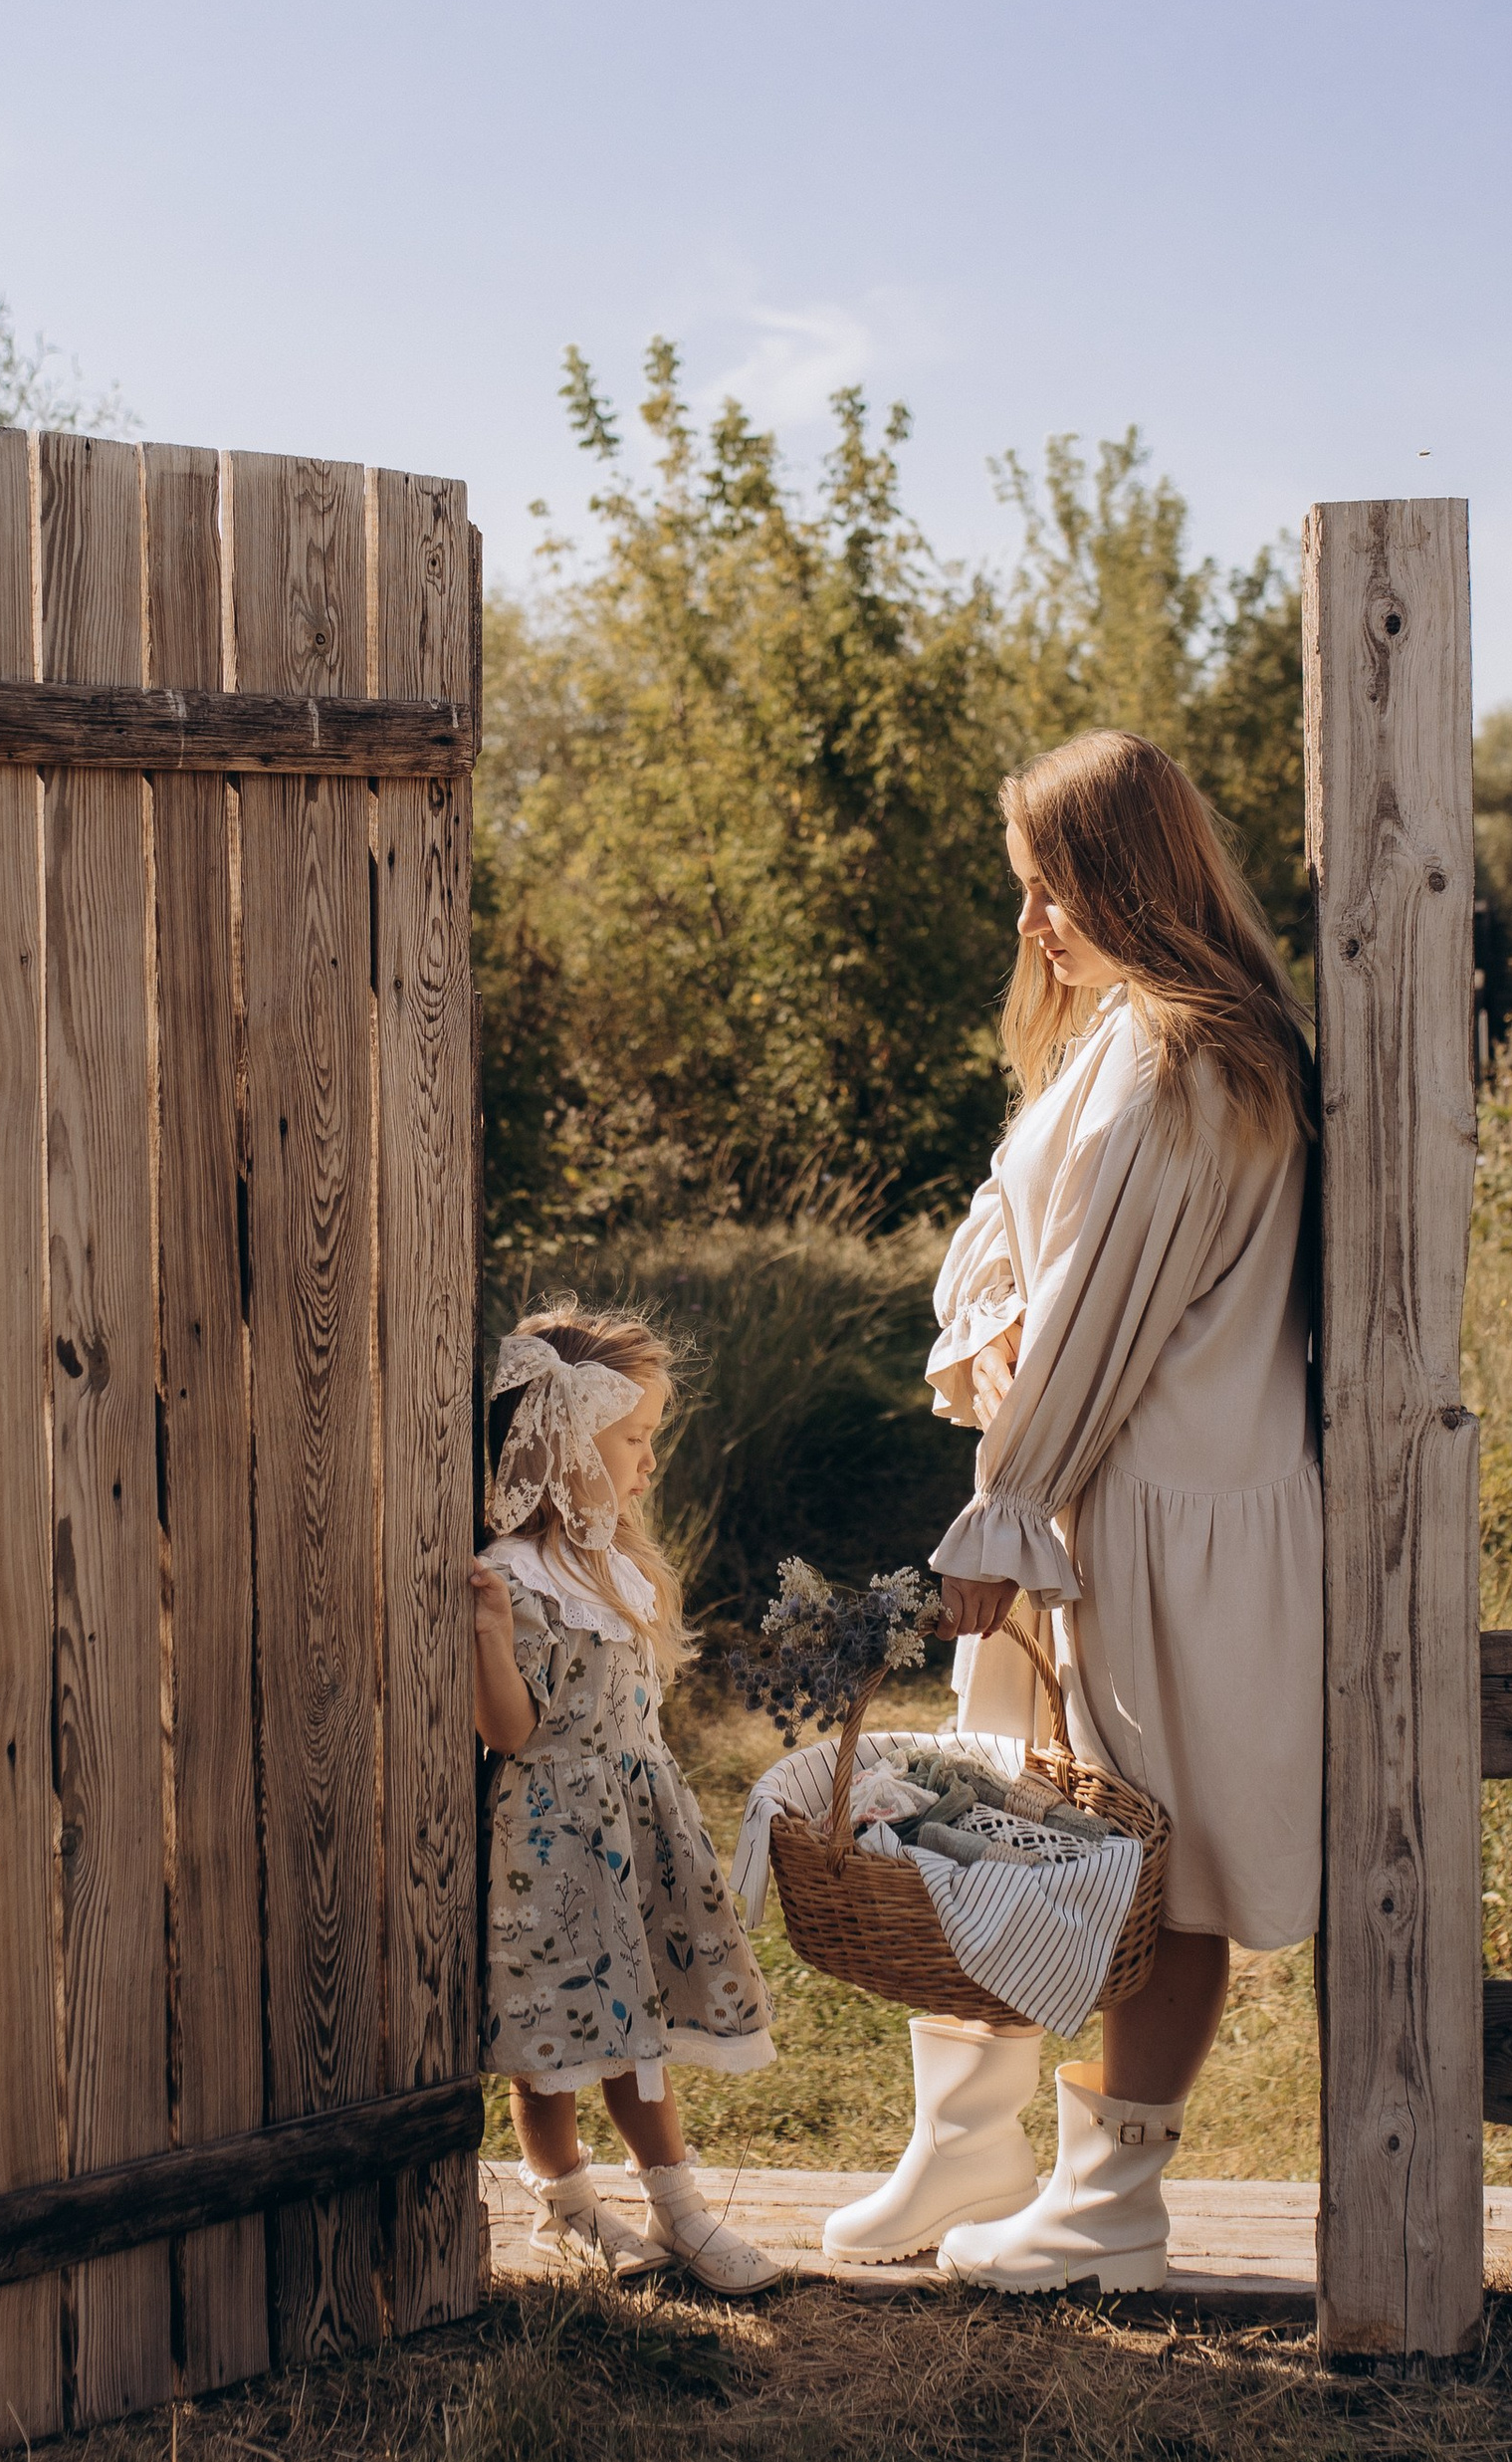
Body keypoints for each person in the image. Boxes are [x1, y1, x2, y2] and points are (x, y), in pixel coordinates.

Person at [821, 730, 1321, 2294]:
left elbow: (1102, 1309)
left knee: (1156, 1860)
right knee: (1006, 1823)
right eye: (1024, 893)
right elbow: (1005, 1217)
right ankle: (966, 2139)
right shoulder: (1113, 1040)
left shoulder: (1198, 1063)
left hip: (1164, 1515)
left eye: (1050, 890)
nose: (1032, 924)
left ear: (1123, 876)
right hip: (1088, 1496)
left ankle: (1114, 2198)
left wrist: (1008, 1503)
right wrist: (986, 1328)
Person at [471, 1304, 784, 2294]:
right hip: (555, 1843)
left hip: (636, 1829)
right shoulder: (511, 1575)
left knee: (638, 2035)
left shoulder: (614, 1566)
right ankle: (564, 2203)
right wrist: (483, 1629)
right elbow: (512, 1731)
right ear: (563, 1445)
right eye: (635, 1438)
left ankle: (677, 2206)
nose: (648, 1461)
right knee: (557, 2041)